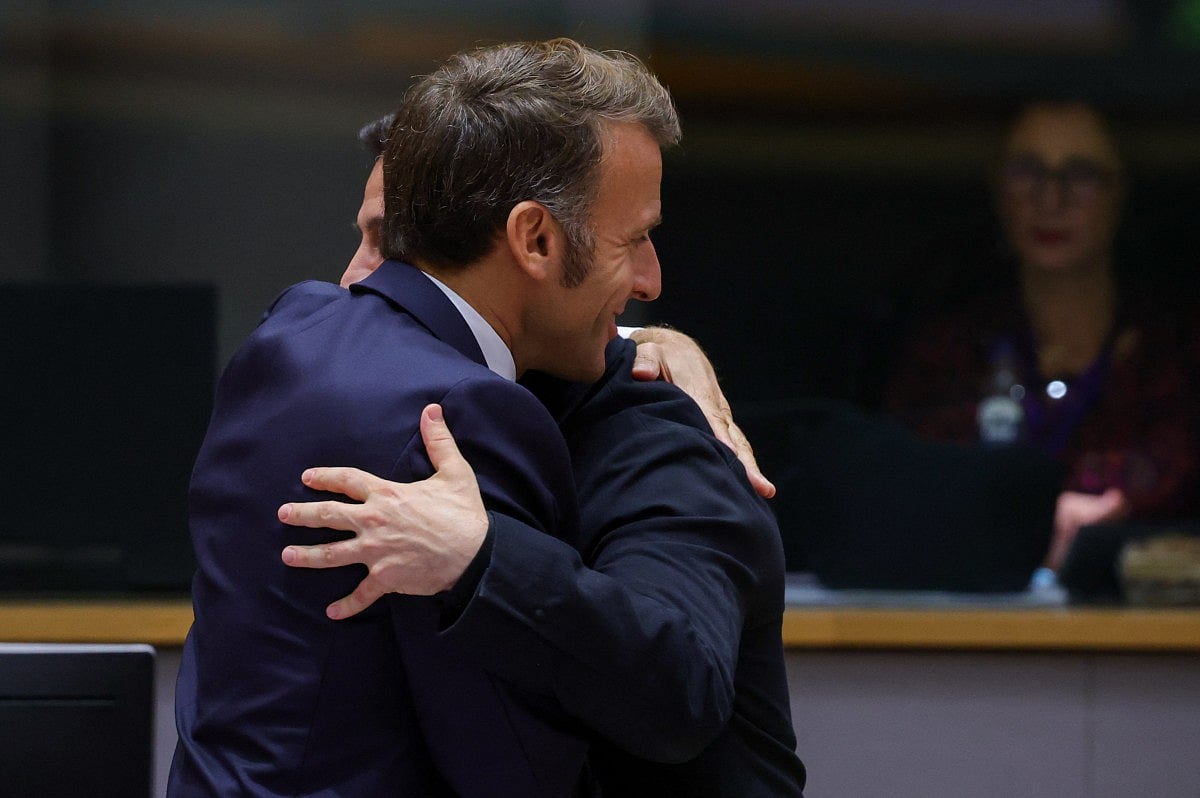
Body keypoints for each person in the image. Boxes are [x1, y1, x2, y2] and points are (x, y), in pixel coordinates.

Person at [170, 38, 683, 796]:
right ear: (536, 239)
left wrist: (664, 347)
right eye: (634, 238)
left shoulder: (293, 328)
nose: (651, 277)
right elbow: (510, 764)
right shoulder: (464, 414)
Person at [272, 121, 806, 795]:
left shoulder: (656, 437)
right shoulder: (419, 408)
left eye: (385, 241)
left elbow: (681, 690)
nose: (352, 277)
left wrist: (480, 558)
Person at [885, 99, 1200, 570]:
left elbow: (1181, 461)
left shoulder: (1171, 345)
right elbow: (906, 470)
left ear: (1120, 192)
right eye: (1027, 172)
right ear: (998, 190)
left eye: (1081, 174)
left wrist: (1106, 505)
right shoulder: (952, 345)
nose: (1051, 199)